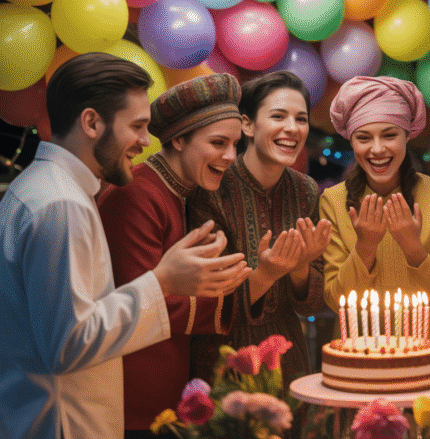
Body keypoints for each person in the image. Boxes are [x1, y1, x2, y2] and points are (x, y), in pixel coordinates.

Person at [0, 53, 250, 439]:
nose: (145, 142)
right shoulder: (60, 204)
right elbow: (68, 346)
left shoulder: (45, 188)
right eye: (136, 127)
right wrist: (162, 281)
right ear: (91, 122)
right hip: (62, 423)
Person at [97, 73, 245, 438]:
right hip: (132, 404)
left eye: (235, 144)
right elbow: (139, 304)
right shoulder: (136, 194)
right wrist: (241, 290)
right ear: (178, 139)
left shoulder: (177, 191)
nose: (230, 156)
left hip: (165, 397)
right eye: (218, 142)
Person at [186, 71, 330, 389]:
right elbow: (205, 303)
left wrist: (301, 267)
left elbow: (312, 305)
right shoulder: (212, 188)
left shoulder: (305, 190)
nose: (292, 128)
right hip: (225, 360)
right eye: (278, 116)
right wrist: (264, 275)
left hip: (288, 357)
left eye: (301, 119)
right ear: (247, 125)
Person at [321, 75, 430, 373]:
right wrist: (365, 248)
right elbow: (335, 300)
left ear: (407, 135)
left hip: (428, 369)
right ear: (351, 140)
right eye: (363, 138)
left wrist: (413, 249)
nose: (377, 149)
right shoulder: (333, 201)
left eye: (389, 135)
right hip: (358, 368)